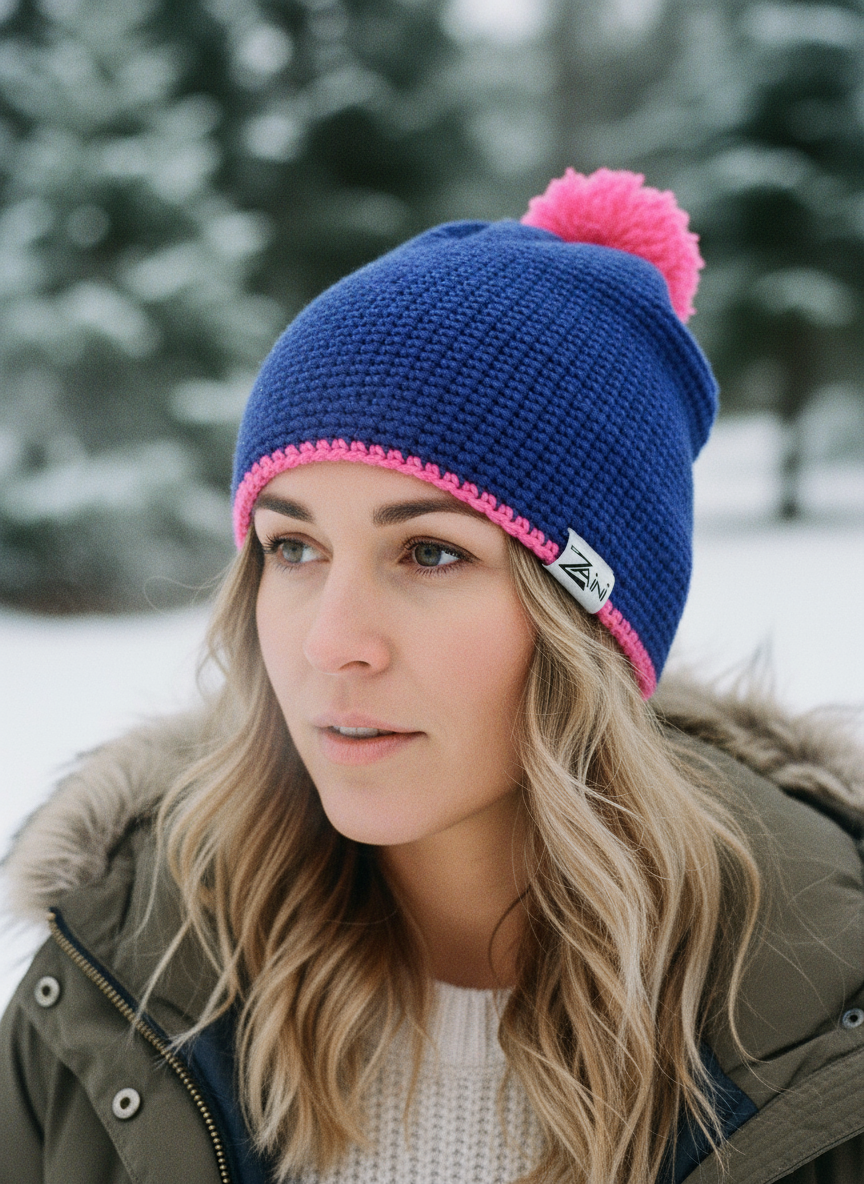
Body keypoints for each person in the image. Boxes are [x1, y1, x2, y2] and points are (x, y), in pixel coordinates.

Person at [1, 168, 863, 1184]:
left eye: (430, 553)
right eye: (293, 547)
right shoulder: (117, 987)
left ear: (588, 617)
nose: (333, 641)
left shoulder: (818, 1038)